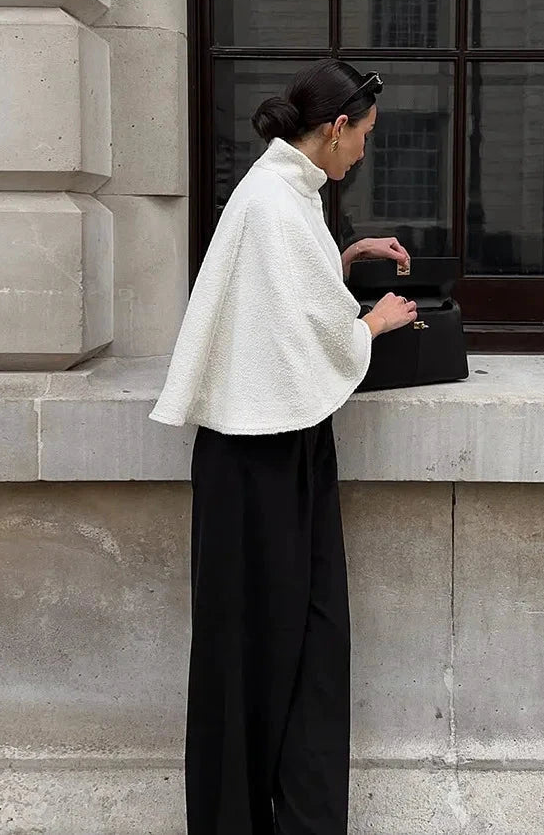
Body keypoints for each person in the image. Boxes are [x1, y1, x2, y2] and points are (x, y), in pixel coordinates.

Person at [149, 58, 417, 834]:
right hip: (256, 458)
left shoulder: (288, 188)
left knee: (307, 643)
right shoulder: (271, 197)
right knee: (250, 655)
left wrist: (344, 258)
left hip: (282, 448)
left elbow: (279, 293)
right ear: (334, 129)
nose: (363, 153)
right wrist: (371, 324)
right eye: (362, 137)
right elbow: (297, 330)